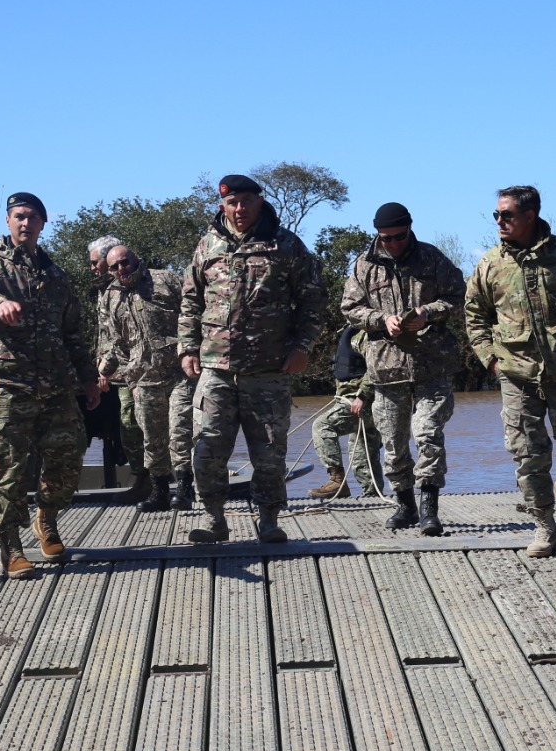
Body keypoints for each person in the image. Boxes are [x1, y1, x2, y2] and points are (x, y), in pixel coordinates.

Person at [179, 173, 327, 543]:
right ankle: (215, 519)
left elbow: (313, 300)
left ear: (259, 201)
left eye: (246, 201)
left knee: (270, 452)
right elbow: (190, 300)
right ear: (222, 205)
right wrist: (186, 347)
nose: (239, 209)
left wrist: (302, 347)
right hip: (216, 369)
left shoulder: (286, 245)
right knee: (207, 448)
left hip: (269, 369)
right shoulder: (207, 245)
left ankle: (269, 520)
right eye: (232, 203)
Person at [0, 192, 102, 579]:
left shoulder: (56, 277)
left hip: (56, 385)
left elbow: (74, 333)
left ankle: (47, 518)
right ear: (8, 222)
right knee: (5, 466)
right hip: (8, 383)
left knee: (67, 457)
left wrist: (88, 379)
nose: (25, 223)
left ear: (43, 224)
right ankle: (11, 548)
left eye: (32, 218)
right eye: (18, 217)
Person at [464, 185, 556, 556]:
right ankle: (545, 527)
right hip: (515, 374)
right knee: (528, 453)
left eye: (507, 215)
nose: (499, 221)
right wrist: (490, 360)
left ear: (530, 216)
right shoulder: (490, 264)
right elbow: (474, 315)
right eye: (496, 215)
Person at [341, 202, 465, 535]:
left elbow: (457, 296)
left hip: (432, 365)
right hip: (385, 368)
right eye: (386, 238)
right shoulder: (364, 266)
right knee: (394, 445)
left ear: (410, 228)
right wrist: (381, 320)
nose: (393, 243)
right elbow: (350, 308)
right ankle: (405, 506)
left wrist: (429, 312)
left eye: (399, 236)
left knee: (427, 433)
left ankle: (429, 509)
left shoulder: (432, 257)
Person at [98, 243, 197, 512]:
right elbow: (112, 341)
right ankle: (160, 492)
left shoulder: (165, 280)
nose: (122, 268)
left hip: (179, 374)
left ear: (136, 259)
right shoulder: (110, 297)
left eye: (125, 261)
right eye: (115, 266)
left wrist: (194, 350)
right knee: (152, 439)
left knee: (180, 431)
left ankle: (186, 490)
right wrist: (104, 371)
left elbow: (193, 312)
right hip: (143, 378)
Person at [89, 234, 148, 500]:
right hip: (115, 370)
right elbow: (105, 335)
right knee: (125, 426)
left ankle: (154, 480)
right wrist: (102, 369)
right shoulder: (106, 292)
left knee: (137, 423)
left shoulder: (134, 286)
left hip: (137, 369)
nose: (93, 268)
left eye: (95, 262)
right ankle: (142, 479)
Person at [306, 326, 384, 500]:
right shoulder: (350, 331)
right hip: (356, 400)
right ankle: (372, 496)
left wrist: (362, 395)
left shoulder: (367, 334)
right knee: (363, 450)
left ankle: (337, 481)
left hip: (364, 401)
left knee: (322, 425)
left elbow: (376, 365)